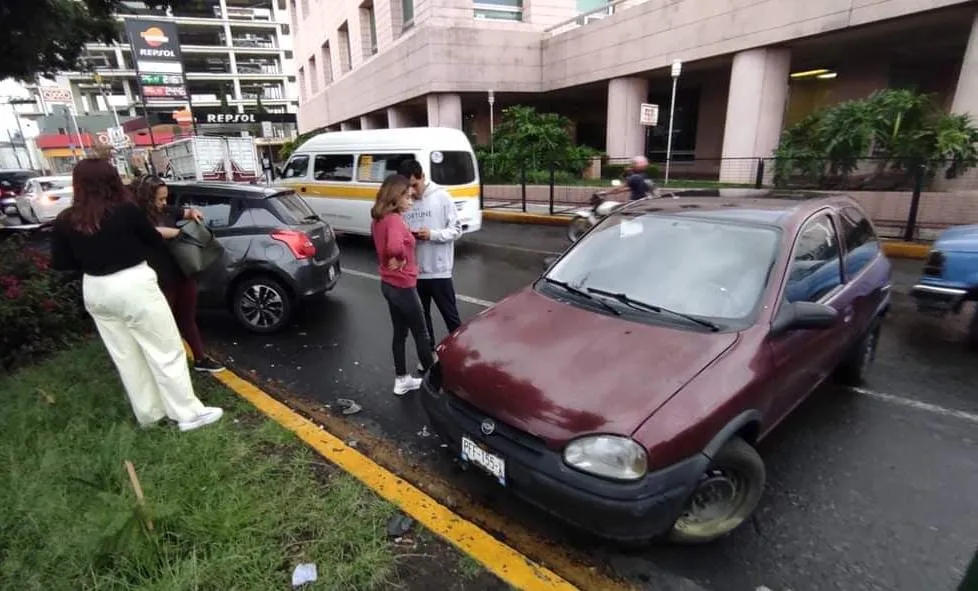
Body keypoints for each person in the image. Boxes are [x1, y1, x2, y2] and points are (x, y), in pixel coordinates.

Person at [50, 158, 223, 432]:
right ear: (111, 181)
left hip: (94, 288)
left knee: (126, 356)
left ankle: (150, 416)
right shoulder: (125, 211)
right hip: (132, 283)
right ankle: (188, 414)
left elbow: (62, 264)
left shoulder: (65, 220)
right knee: (165, 350)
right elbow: (153, 241)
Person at [132, 174, 225, 373]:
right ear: (147, 198)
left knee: (188, 317)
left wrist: (193, 213)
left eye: (166, 198)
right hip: (159, 278)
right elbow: (150, 233)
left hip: (182, 272)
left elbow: (184, 212)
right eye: (160, 199)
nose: (164, 203)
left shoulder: (167, 210)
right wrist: (170, 232)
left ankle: (200, 359)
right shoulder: (136, 217)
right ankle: (166, 364)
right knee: (163, 323)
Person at [371, 174, 435, 396]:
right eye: (407, 197)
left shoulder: (379, 219)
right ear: (395, 196)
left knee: (400, 334)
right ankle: (435, 385)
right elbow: (395, 246)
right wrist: (401, 257)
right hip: (402, 285)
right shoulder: (395, 220)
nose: (411, 200)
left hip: (388, 285)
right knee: (421, 334)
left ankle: (402, 380)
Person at [397, 159, 462, 361]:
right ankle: (429, 355)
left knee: (451, 317)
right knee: (422, 319)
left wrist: (433, 234)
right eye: (408, 189)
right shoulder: (404, 202)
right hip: (415, 272)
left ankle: (461, 352)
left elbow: (456, 230)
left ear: (423, 177)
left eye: (415, 186)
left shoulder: (442, 197)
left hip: (439, 270)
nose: (413, 193)